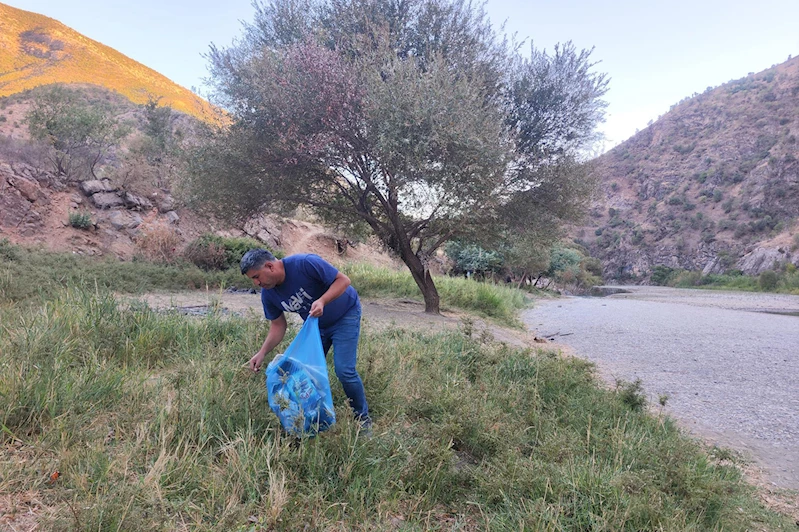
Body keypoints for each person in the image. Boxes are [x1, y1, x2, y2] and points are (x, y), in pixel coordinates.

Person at [240, 249, 370, 427]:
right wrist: (262, 352)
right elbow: (278, 325)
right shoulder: (268, 295)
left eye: (256, 276)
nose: (256, 283)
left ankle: (362, 420)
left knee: (344, 371)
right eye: (252, 280)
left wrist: (322, 301)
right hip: (316, 326)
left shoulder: (304, 263)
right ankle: (312, 419)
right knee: (302, 373)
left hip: (345, 315)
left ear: (269, 266)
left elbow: (344, 281)